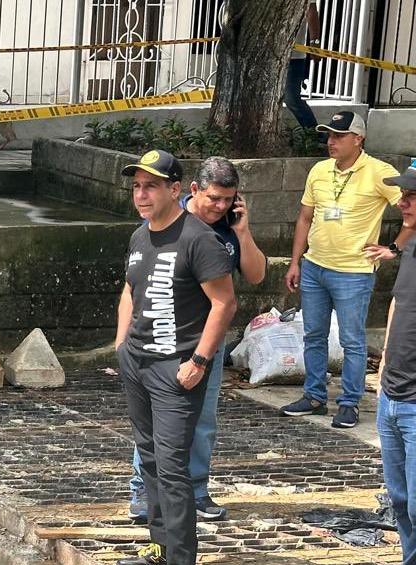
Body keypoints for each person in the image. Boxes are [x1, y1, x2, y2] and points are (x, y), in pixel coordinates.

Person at [128, 157, 267, 524]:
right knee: (154, 423)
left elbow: (254, 276)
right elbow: (132, 284)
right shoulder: (165, 223)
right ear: (192, 191)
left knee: (203, 419)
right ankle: (144, 489)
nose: (219, 206)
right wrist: (122, 342)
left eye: (227, 199)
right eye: (213, 198)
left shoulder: (226, 229)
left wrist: (243, 231)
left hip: (208, 340)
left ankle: (196, 489)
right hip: (162, 339)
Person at [114, 150, 237, 565]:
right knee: (148, 459)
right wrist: (122, 346)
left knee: (171, 467)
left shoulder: (197, 238)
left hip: (177, 368)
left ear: (176, 189)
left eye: (151, 186)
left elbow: (225, 303)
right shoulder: (140, 235)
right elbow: (130, 290)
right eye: (137, 186)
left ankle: (181, 557)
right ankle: (159, 546)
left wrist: (199, 361)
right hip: (138, 362)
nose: (142, 194)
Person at [281, 112, 413, 428]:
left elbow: (411, 208)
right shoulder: (319, 170)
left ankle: (349, 403)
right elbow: (304, 218)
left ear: (358, 139)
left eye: (339, 136)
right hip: (315, 267)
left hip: (354, 272)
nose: (331, 142)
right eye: (329, 136)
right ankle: (313, 397)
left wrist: (393, 248)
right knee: (313, 335)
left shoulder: (379, 172)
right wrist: (295, 262)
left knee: (352, 341)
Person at [377, 159, 416, 565]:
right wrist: (384, 364)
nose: (401, 202)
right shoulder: (411, 247)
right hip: (392, 395)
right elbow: (398, 304)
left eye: (411, 196)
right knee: (400, 500)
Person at [284, 1, 322, 131]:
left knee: (291, 99)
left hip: (293, 56)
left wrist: (315, 43)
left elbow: (311, 11)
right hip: (263, 55)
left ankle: (315, 135)